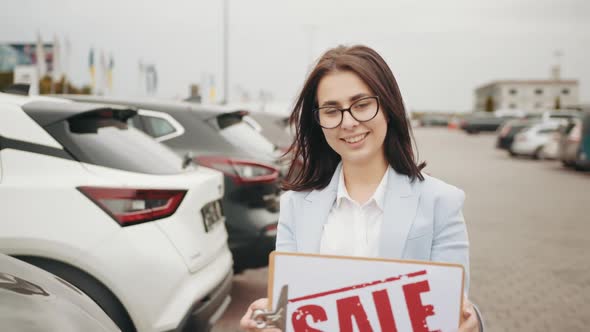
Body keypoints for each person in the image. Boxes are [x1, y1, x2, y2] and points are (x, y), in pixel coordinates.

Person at [240, 45, 483, 331]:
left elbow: (453, 307)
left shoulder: (441, 201)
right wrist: (266, 323)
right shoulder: (295, 205)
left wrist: (473, 322)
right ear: (318, 122)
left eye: (362, 105)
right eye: (332, 110)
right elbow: (290, 309)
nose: (349, 122)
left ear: (388, 107)